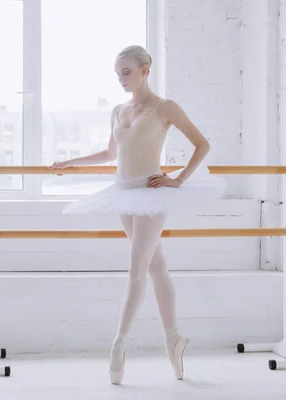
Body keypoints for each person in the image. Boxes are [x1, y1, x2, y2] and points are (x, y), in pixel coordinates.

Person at [48, 45, 226, 385]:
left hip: (151, 195)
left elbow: (202, 144)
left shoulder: (164, 107)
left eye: (127, 72)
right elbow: (110, 153)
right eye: (117, 74)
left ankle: (119, 345)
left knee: (137, 269)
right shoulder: (117, 110)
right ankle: (174, 340)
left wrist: (178, 180)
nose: (121, 79)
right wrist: (69, 163)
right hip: (123, 195)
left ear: (146, 70)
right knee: (156, 267)